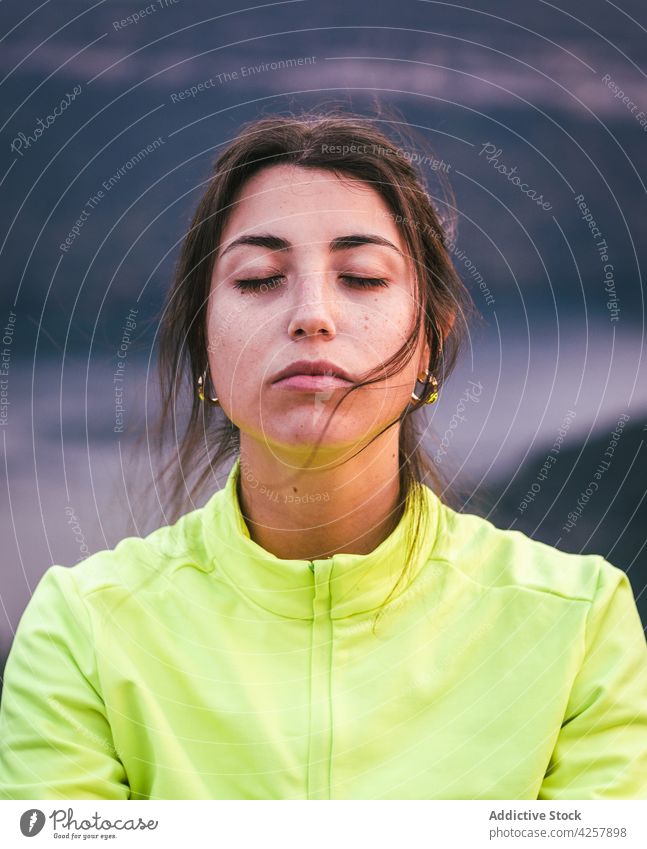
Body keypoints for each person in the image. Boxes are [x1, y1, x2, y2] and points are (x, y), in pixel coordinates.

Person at [1, 111, 646, 801]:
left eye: (362, 277)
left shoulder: (575, 622)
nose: (312, 313)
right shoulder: (83, 629)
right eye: (257, 279)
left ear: (429, 338)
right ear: (205, 347)